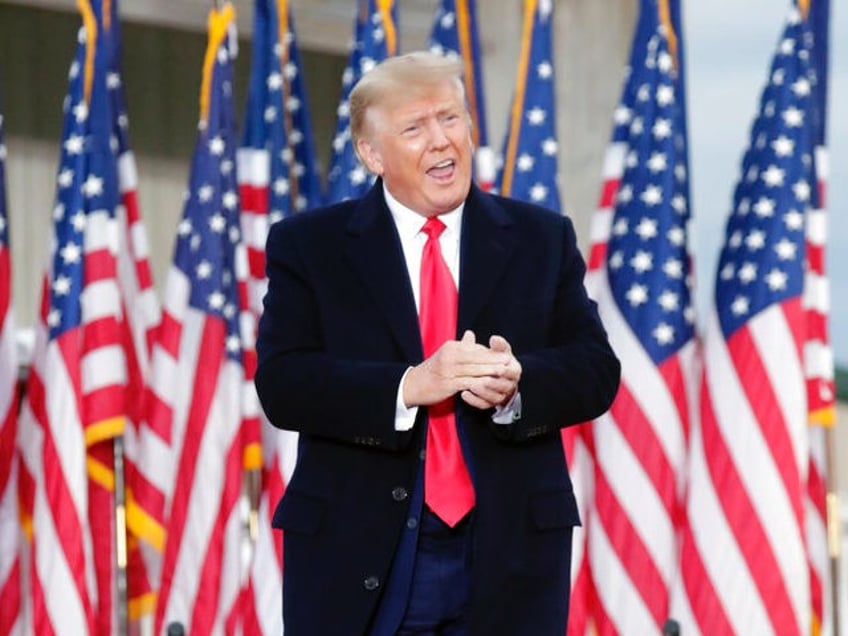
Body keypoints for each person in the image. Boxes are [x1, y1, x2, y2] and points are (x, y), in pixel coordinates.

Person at [255, 51, 620, 636]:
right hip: (364, 553)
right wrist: (407, 387)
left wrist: (517, 386)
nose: (441, 142)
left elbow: (596, 369)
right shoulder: (310, 247)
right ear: (372, 154)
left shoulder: (539, 238)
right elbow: (284, 382)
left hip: (508, 553)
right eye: (414, 128)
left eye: (451, 119)